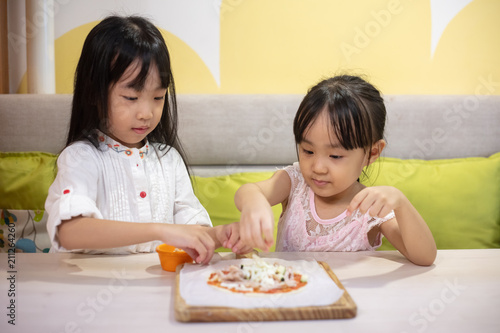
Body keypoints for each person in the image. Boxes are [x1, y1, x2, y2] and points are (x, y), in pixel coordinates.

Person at [45, 15, 246, 263]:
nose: (146, 113)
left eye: (158, 97)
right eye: (131, 98)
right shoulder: (80, 158)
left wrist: (220, 235)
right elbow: (69, 232)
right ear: (94, 94)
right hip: (87, 290)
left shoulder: (169, 160)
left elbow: (192, 230)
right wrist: (158, 230)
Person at [234, 75, 436, 266]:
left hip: (347, 299)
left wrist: (400, 202)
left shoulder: (370, 209)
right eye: (308, 151)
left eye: (335, 156)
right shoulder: (294, 183)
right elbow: (248, 192)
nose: (318, 167)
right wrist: (255, 203)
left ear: (372, 153)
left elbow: (424, 257)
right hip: (291, 294)